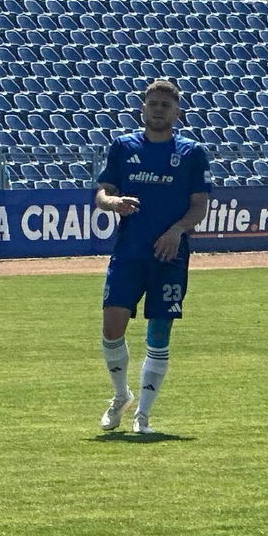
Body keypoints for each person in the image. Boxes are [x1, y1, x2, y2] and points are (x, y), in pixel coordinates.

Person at [94, 79, 212, 437]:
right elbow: (102, 193)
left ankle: (143, 415)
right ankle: (120, 396)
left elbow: (199, 206)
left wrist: (177, 231)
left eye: (165, 105)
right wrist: (112, 202)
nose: (158, 109)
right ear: (142, 109)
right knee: (112, 328)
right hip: (129, 253)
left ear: (178, 113)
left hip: (169, 256)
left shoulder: (192, 153)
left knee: (159, 334)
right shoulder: (123, 147)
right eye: (152, 103)